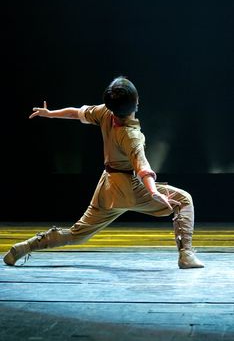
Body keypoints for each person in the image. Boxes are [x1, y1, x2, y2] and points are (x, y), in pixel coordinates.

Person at [3, 76, 204, 269]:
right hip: (129, 188)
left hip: (107, 188)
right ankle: (185, 255)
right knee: (184, 200)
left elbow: (76, 113)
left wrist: (51, 113)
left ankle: (25, 247)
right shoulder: (131, 134)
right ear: (136, 103)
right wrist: (154, 192)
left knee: (77, 234)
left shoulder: (105, 113)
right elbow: (143, 168)